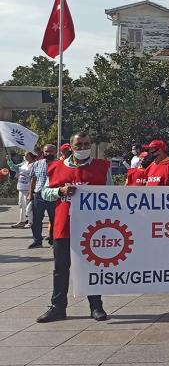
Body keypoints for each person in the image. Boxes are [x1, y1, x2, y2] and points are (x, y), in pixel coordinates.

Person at [36, 132, 110, 323]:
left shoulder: (102, 167)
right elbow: (44, 192)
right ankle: (57, 307)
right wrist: (59, 191)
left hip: (92, 227)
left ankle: (96, 306)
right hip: (64, 225)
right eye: (79, 145)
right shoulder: (56, 167)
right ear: (71, 146)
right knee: (61, 268)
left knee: (91, 266)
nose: (83, 148)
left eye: (86, 144)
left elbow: (112, 194)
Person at [28, 144, 57, 249]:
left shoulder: (60, 164)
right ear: (43, 152)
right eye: (46, 151)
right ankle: (37, 241)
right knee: (36, 219)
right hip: (39, 195)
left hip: (53, 195)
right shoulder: (37, 164)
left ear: (55, 152)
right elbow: (33, 179)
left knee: (54, 219)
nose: (48, 153)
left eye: (51, 151)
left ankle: (53, 241)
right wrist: (30, 194)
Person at [10, 152, 36, 228]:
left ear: (31, 156)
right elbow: (14, 168)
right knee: (21, 205)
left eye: (26, 155)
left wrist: (32, 190)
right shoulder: (23, 163)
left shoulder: (35, 164)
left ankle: (30, 221)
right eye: (24, 155)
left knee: (28, 207)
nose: (24, 156)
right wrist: (9, 160)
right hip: (21, 187)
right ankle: (22, 221)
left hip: (29, 189)